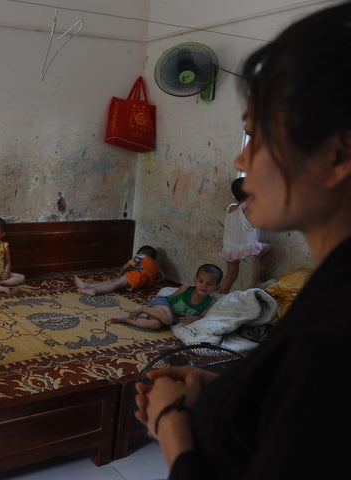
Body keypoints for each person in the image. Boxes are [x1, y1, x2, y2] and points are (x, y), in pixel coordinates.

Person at [134, 4, 351, 478]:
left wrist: (170, 424)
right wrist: (231, 389)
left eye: (255, 135)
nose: (241, 156)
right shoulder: (332, 283)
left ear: (339, 152)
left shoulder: (334, 333)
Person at [112, 263, 222, 330]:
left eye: (209, 284)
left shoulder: (210, 302)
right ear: (195, 280)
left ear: (216, 287)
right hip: (163, 304)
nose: (204, 286)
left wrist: (195, 318)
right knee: (168, 318)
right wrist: (160, 308)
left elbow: (202, 317)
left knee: (156, 325)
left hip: (167, 318)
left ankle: (126, 320)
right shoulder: (186, 289)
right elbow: (169, 299)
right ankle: (143, 308)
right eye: (201, 281)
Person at [218, 176, 272, 294]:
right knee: (268, 249)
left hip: (230, 249)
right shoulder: (249, 209)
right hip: (246, 249)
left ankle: (218, 298)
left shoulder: (231, 208)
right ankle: (259, 280)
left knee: (231, 275)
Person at [74, 245, 160, 296]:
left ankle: (95, 290)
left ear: (141, 252)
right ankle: (87, 286)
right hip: (141, 283)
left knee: (115, 283)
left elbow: (129, 264)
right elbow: (160, 277)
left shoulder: (141, 256)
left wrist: (121, 271)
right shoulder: (155, 265)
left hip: (135, 276)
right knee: (114, 282)